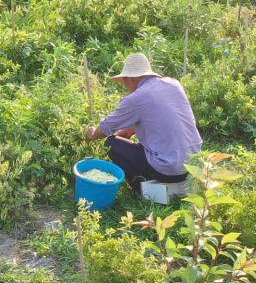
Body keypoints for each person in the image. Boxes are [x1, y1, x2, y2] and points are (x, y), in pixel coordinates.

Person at [85, 53, 203, 191]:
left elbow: (105, 128)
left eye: (124, 81)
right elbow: (159, 117)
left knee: (111, 144)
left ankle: (141, 187)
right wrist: (128, 131)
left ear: (130, 79)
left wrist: (91, 135)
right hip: (194, 165)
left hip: (169, 169)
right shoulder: (174, 84)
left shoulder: (136, 98)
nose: (125, 86)